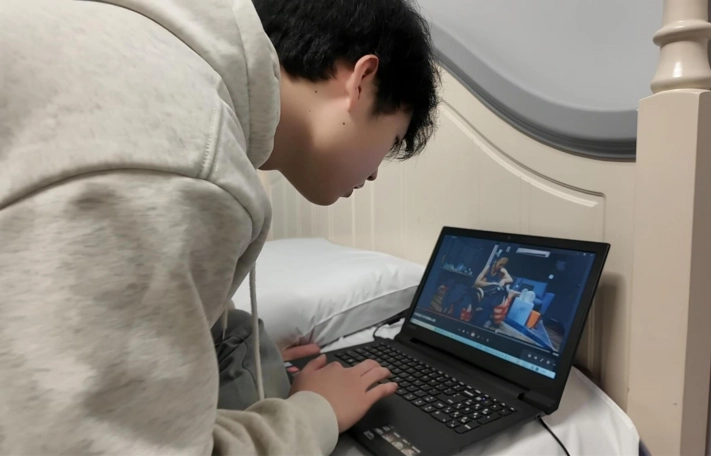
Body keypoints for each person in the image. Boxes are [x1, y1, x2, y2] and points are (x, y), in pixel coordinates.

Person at [0, 0, 438, 454]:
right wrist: (315, 412)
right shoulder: (188, 163)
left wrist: (212, 360)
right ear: (362, 81)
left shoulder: (147, 61)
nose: (374, 174)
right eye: (391, 141)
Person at [470, 257, 514, 326]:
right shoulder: (488, 268)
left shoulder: (501, 272)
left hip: (490, 298)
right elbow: (476, 282)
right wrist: (492, 284)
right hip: (482, 294)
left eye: (503, 266)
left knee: (489, 306)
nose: (500, 267)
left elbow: (511, 280)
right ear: (496, 261)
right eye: (500, 264)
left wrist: (504, 279)